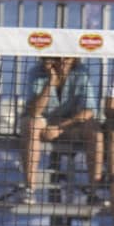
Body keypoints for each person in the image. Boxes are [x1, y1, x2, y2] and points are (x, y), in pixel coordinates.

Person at [17, 56, 104, 206]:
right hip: (42, 122)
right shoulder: (36, 73)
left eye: (67, 58)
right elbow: (34, 111)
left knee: (95, 130)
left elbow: (89, 110)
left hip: (68, 124)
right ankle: (29, 189)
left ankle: (94, 191)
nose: (63, 62)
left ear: (74, 59)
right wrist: (50, 82)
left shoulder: (81, 73)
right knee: (31, 124)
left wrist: (60, 127)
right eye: (57, 58)